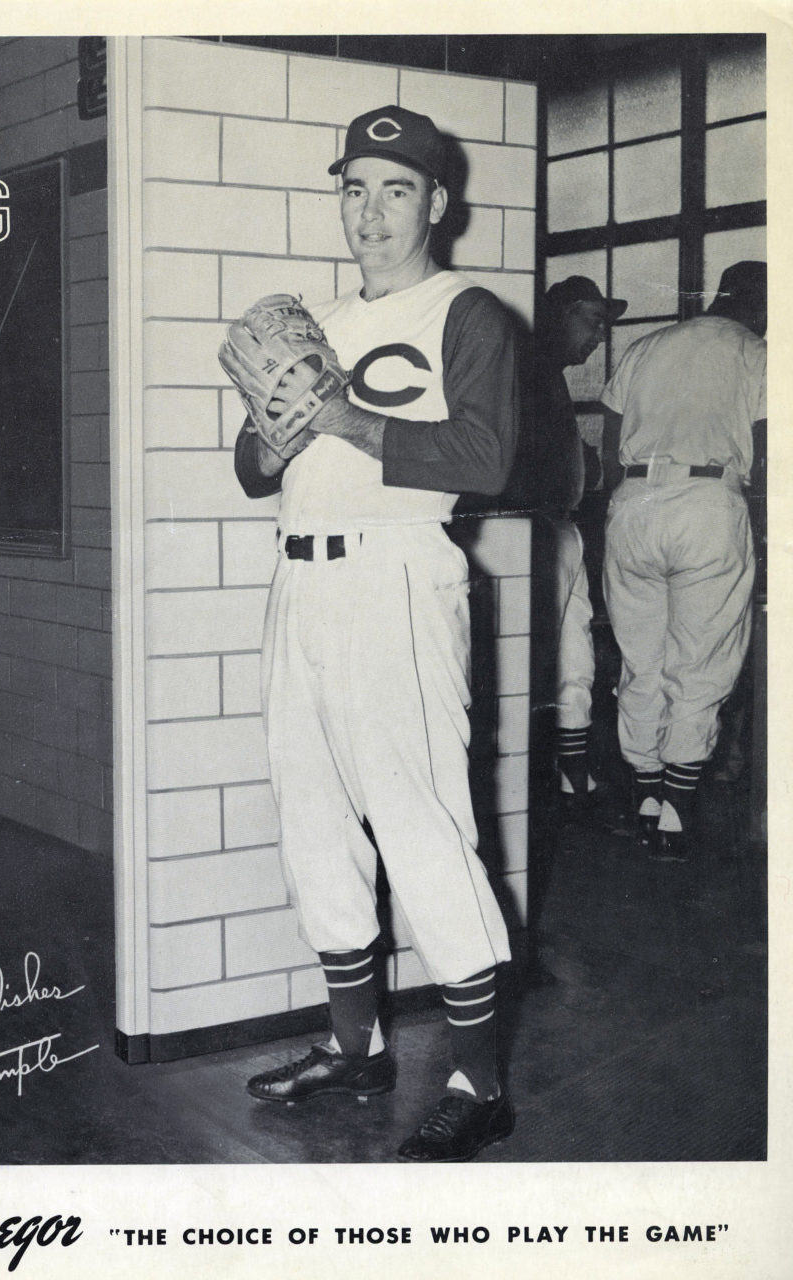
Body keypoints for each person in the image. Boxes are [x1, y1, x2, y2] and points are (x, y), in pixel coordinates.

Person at [233, 105, 520, 1162]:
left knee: (421, 826)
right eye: (353, 187)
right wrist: (273, 425)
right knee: (312, 822)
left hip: (397, 578)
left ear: (437, 202)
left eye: (395, 189)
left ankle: (475, 1080)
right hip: (297, 586)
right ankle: (356, 1048)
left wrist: (341, 417)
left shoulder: (467, 311)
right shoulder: (315, 317)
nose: (371, 211)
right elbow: (253, 469)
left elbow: (487, 457)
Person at [600, 261, 766, 861]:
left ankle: (645, 795)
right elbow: (770, 450)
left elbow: (608, 443)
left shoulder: (647, 346)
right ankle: (676, 811)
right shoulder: (757, 351)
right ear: (760, 305)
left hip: (634, 504)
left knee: (641, 661)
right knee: (701, 662)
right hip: (707, 504)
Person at [533, 277, 627, 818]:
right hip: (534, 531)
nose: (598, 336)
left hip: (560, 526)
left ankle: (572, 774)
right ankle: (552, 776)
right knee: (550, 653)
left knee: (574, 651)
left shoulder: (548, 376)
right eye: (592, 321)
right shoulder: (528, 369)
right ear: (563, 313)